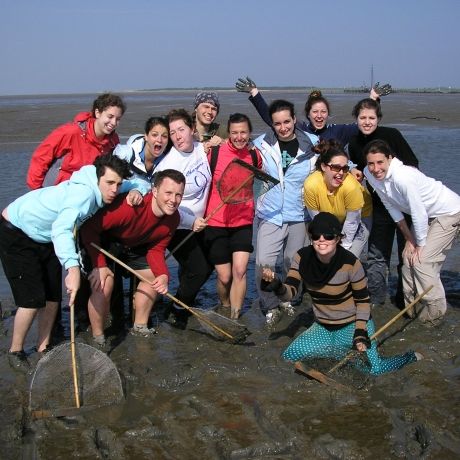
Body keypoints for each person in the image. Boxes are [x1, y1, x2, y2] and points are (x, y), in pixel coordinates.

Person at [0, 154, 131, 370]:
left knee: (53, 298)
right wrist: (72, 268)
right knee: (32, 300)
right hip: (16, 231)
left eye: (118, 184)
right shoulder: (83, 195)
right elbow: (62, 228)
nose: (114, 190)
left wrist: (137, 188)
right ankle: (16, 350)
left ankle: (44, 347)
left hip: (45, 236)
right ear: (98, 178)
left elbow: (133, 182)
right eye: (109, 183)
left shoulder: (106, 184)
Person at [261, 212, 421, 375]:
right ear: (311, 237)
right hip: (323, 328)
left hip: (352, 326)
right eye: (317, 235)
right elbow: (289, 293)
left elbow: (363, 301)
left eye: (328, 236)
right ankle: (335, 354)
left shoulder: (351, 263)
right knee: (289, 357)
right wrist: (276, 285)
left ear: (338, 238)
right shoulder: (301, 258)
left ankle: (409, 358)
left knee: (374, 370)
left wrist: (360, 332)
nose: (322, 240)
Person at [80, 169, 185, 346]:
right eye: (168, 193)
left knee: (156, 278)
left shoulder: (173, 218)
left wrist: (163, 274)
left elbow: (156, 249)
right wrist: (99, 264)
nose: (173, 200)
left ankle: (140, 326)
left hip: (133, 247)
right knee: (104, 284)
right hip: (104, 244)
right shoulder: (131, 207)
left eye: (178, 195)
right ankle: (98, 337)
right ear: (155, 191)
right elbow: (89, 229)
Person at [364, 140, 460, 324]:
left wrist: (421, 245)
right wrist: (409, 239)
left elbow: (418, 212)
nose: (376, 168)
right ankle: (412, 311)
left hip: (449, 212)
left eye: (380, 162)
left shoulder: (403, 177)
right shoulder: (369, 174)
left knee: (423, 262)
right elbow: (391, 207)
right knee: (408, 259)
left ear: (390, 159)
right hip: (426, 215)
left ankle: (434, 314)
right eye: (371, 163)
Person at [251, 99, 319, 327]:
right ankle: (270, 305)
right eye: (277, 123)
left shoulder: (312, 144)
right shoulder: (260, 144)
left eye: (287, 121)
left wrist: (352, 170)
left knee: (294, 262)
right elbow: (238, 155)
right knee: (264, 263)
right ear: (272, 124)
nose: (283, 127)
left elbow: (330, 164)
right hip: (270, 213)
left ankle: (290, 299)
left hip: (299, 214)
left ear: (294, 120)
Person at [348, 98, 419, 308]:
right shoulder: (354, 143)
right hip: (379, 207)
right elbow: (361, 171)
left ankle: (405, 299)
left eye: (371, 117)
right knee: (377, 257)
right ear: (356, 119)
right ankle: (376, 300)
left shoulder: (392, 135)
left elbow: (413, 165)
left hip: (404, 205)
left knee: (407, 254)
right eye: (363, 118)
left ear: (378, 119)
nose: (367, 122)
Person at [154, 109, 213, 329]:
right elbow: (166, 206)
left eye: (181, 129)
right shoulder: (169, 164)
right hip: (176, 225)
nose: (178, 136)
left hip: (201, 223)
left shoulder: (200, 149)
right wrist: (191, 222)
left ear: (192, 129)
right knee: (198, 269)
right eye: (172, 132)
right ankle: (177, 308)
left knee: (206, 266)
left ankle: (184, 300)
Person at [202, 113, 262, 319]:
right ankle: (225, 304)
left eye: (243, 132)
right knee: (225, 276)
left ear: (250, 133)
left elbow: (266, 174)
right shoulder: (215, 152)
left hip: (243, 221)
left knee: (240, 271)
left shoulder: (255, 156)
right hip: (216, 221)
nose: (239, 137)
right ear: (228, 133)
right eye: (235, 132)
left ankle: (235, 317)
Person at [235, 76, 388, 147]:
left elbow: (365, 124)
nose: (319, 115)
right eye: (315, 112)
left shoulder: (339, 131)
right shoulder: (301, 129)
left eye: (323, 112)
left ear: (328, 114)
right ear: (308, 114)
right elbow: (273, 120)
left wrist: (373, 98)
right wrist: (255, 93)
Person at [27, 93, 126, 189]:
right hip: (56, 191)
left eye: (118, 119)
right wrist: (37, 191)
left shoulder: (113, 141)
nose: (113, 123)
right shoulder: (70, 132)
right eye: (110, 116)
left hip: (87, 193)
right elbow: (40, 157)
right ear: (97, 113)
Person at [304, 139, 370, 257]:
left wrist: (341, 249)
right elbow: (318, 220)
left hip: (359, 218)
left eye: (344, 169)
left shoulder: (351, 187)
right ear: (324, 167)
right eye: (335, 167)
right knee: (321, 253)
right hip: (328, 217)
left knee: (348, 257)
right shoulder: (311, 185)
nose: (340, 173)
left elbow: (352, 222)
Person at [113, 116, 170, 203]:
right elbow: (112, 182)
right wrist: (136, 189)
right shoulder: (124, 154)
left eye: (164, 136)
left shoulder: (167, 162)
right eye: (154, 135)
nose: (159, 140)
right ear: (146, 136)